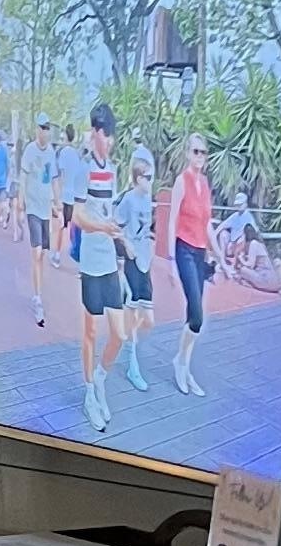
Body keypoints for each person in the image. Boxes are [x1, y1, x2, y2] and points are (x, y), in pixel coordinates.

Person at [71, 106, 124, 434]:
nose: (96, 137)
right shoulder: (83, 170)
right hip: (91, 261)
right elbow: (77, 216)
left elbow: (108, 211)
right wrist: (103, 229)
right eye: (94, 131)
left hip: (109, 263)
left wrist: (116, 235)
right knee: (91, 331)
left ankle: (101, 379)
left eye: (101, 132)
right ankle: (89, 392)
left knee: (119, 333)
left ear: (111, 138)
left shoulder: (114, 171)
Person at [166, 130, 218, 395]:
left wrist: (220, 256)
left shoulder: (205, 184)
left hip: (200, 253)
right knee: (197, 315)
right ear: (188, 153)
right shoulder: (181, 181)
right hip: (184, 249)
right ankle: (180, 362)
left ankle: (184, 364)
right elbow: (172, 219)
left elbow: (207, 224)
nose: (199, 156)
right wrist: (170, 261)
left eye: (203, 152)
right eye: (195, 151)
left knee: (193, 315)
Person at [112, 142, 159, 395]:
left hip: (145, 262)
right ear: (138, 177)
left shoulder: (148, 199)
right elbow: (114, 226)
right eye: (148, 177)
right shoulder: (128, 199)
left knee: (148, 320)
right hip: (132, 261)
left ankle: (127, 339)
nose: (151, 182)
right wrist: (126, 243)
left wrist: (149, 243)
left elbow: (148, 228)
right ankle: (132, 363)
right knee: (133, 311)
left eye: (153, 177)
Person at [22, 123, 60, 321]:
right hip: (33, 208)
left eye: (47, 128)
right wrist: (21, 200)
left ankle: (38, 290)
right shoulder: (29, 150)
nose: (44, 132)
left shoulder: (51, 152)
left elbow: (53, 178)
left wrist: (57, 202)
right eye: (41, 128)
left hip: (46, 208)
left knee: (42, 254)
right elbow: (24, 175)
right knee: (36, 252)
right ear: (36, 130)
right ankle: (37, 298)